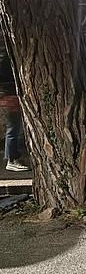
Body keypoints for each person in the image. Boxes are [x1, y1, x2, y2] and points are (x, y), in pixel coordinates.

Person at [0, 36, 29, 172]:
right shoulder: (5, 56)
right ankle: (12, 159)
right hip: (9, 94)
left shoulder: (4, 54)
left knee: (14, 127)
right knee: (14, 128)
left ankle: (12, 157)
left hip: (8, 94)